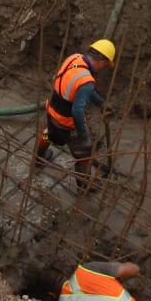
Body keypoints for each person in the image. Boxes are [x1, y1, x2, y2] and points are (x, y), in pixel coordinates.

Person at [34, 39, 115, 190]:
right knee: (85, 153)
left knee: (47, 133)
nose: (104, 68)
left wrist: (100, 103)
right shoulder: (87, 81)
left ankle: (38, 158)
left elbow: (79, 88)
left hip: (51, 111)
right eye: (105, 64)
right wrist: (83, 136)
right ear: (101, 61)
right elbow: (77, 111)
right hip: (65, 122)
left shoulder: (74, 58)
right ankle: (84, 184)